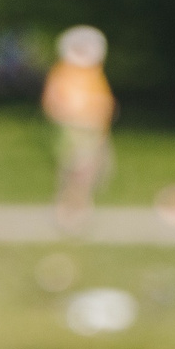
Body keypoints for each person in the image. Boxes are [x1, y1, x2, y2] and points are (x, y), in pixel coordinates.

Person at [43, 27, 114, 227]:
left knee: (92, 173)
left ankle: (79, 209)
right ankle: (68, 212)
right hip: (74, 130)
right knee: (77, 171)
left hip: (93, 130)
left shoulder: (93, 74)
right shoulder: (63, 72)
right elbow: (53, 102)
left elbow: (102, 103)